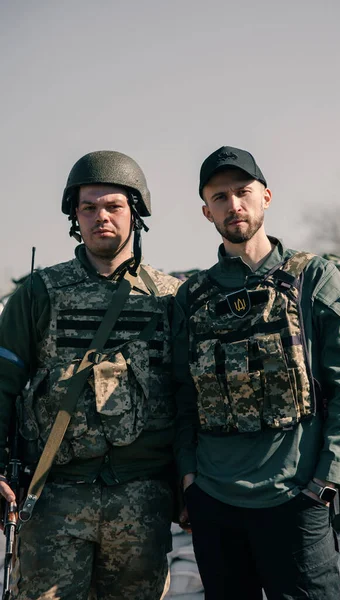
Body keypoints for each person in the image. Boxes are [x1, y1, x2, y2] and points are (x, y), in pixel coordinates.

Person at [173, 146, 340, 600]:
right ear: (206, 211)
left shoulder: (313, 277)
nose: (233, 205)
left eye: (243, 192)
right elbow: (183, 395)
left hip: (296, 500)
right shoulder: (192, 296)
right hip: (215, 503)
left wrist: (325, 483)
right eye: (220, 197)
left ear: (266, 196)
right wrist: (189, 480)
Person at [0, 150, 181, 600]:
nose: (101, 217)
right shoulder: (39, 293)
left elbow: (189, 395)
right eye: (89, 207)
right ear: (74, 216)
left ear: (135, 213)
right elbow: (2, 383)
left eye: (114, 206)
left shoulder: (172, 298)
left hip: (143, 497)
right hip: (55, 494)